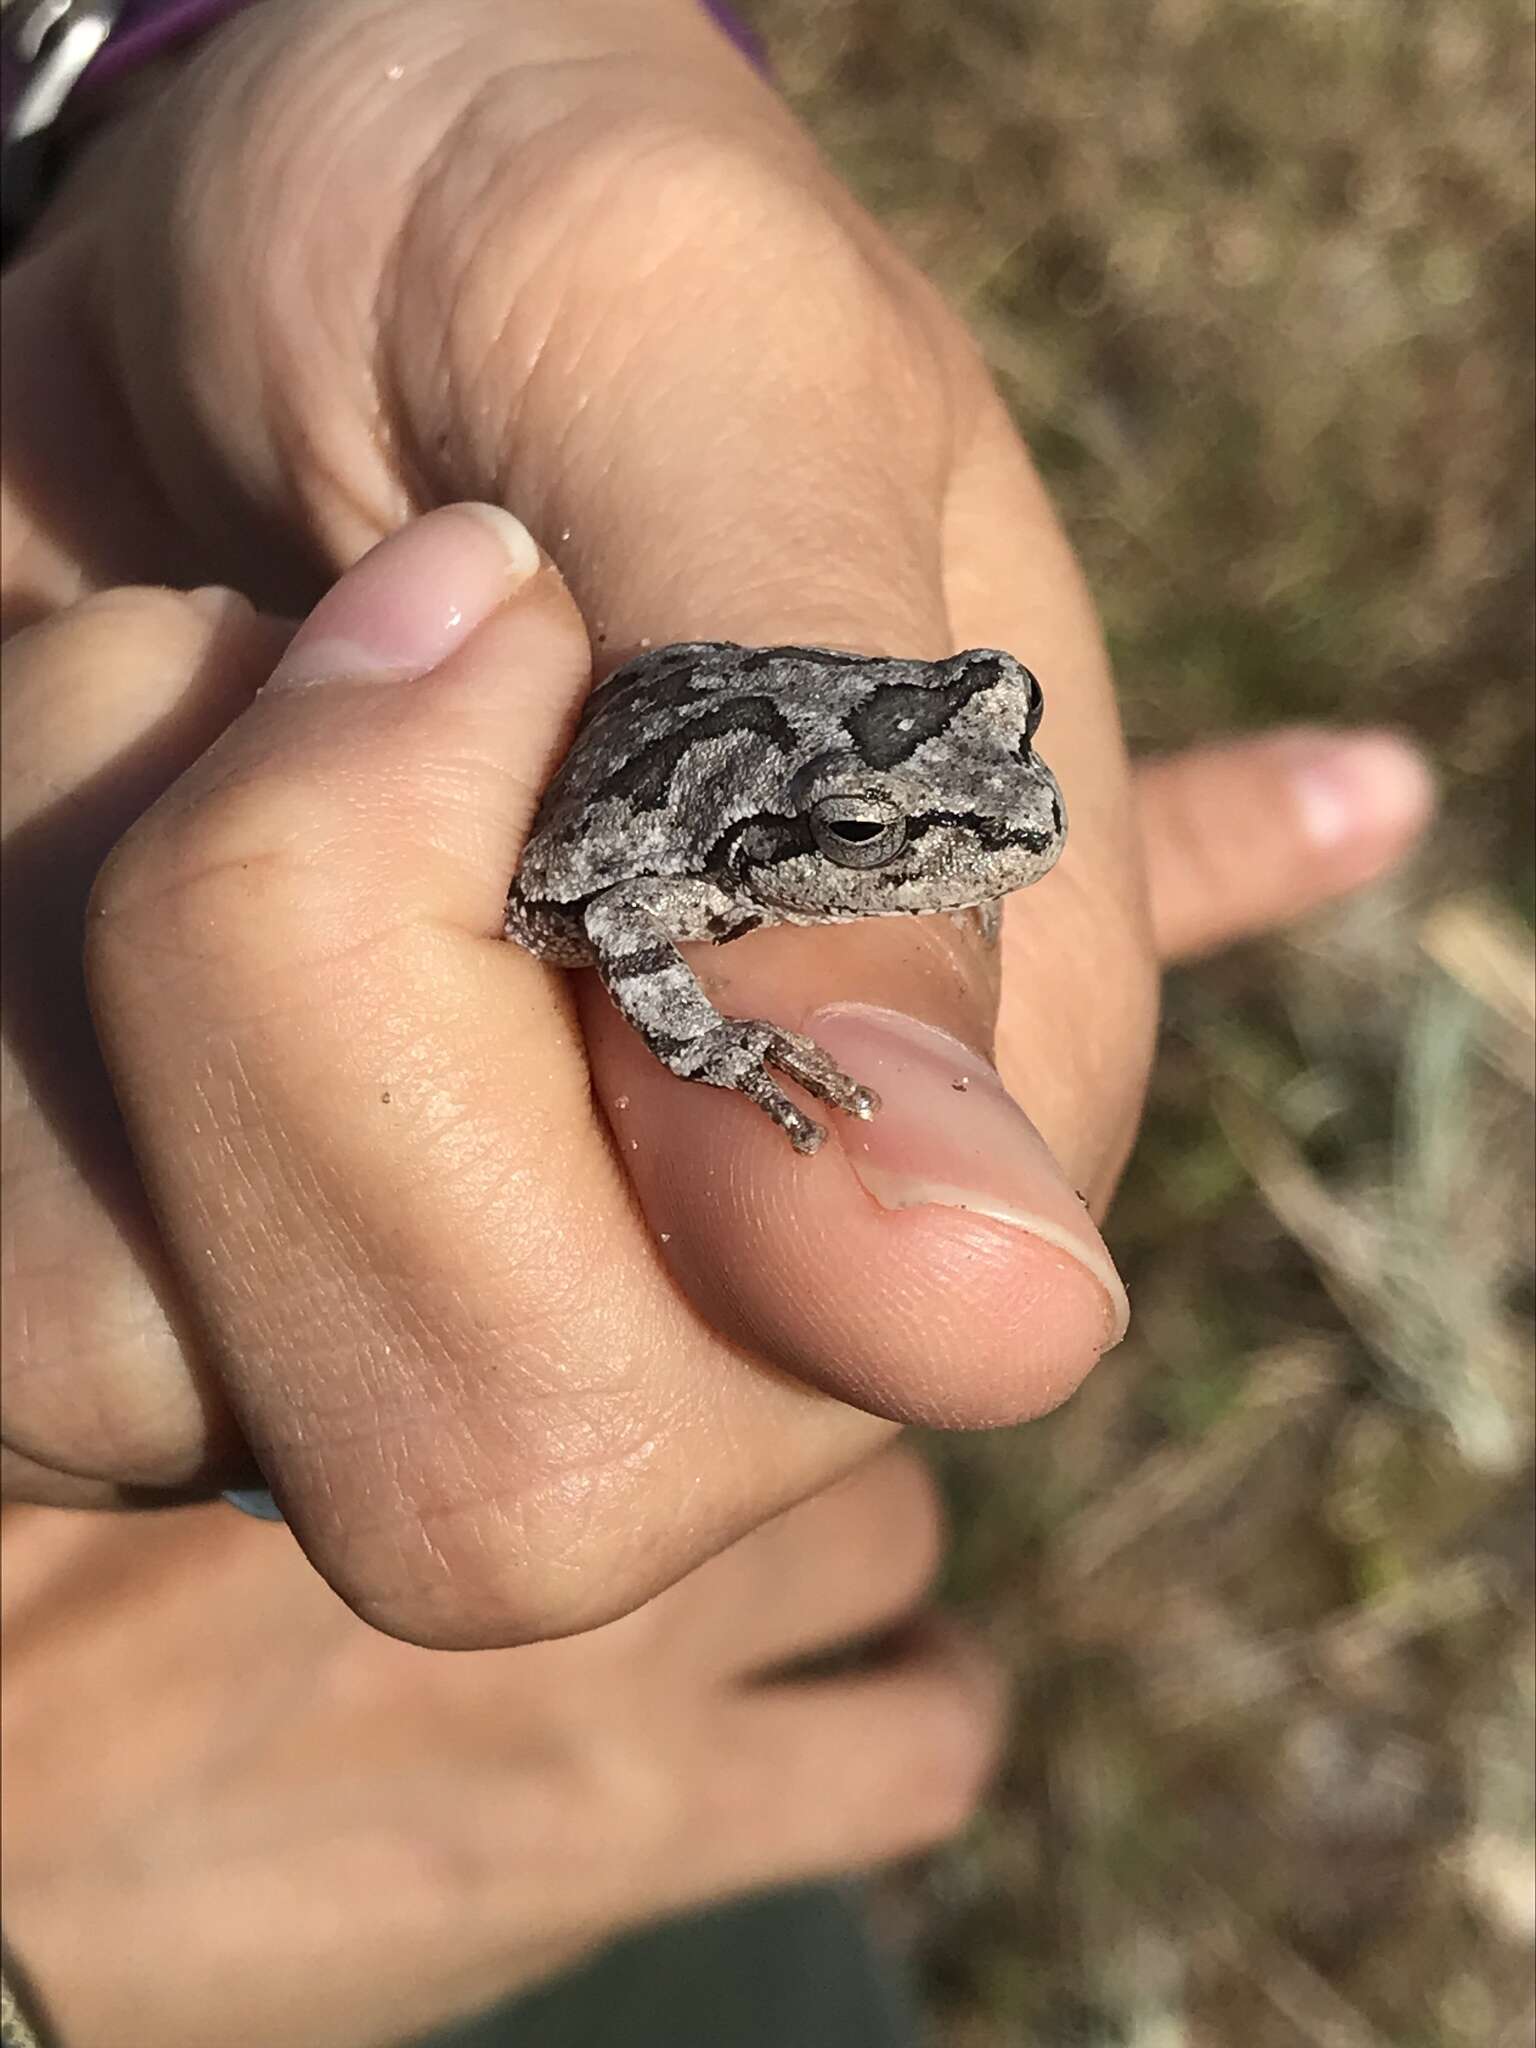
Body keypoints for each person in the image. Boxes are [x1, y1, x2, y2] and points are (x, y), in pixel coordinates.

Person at [0, 0, 1435, 2039]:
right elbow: (595, 903)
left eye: (985, 732)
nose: (1006, 827)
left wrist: (186, 55)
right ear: (798, 840)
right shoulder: (685, 865)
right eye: (875, 836)